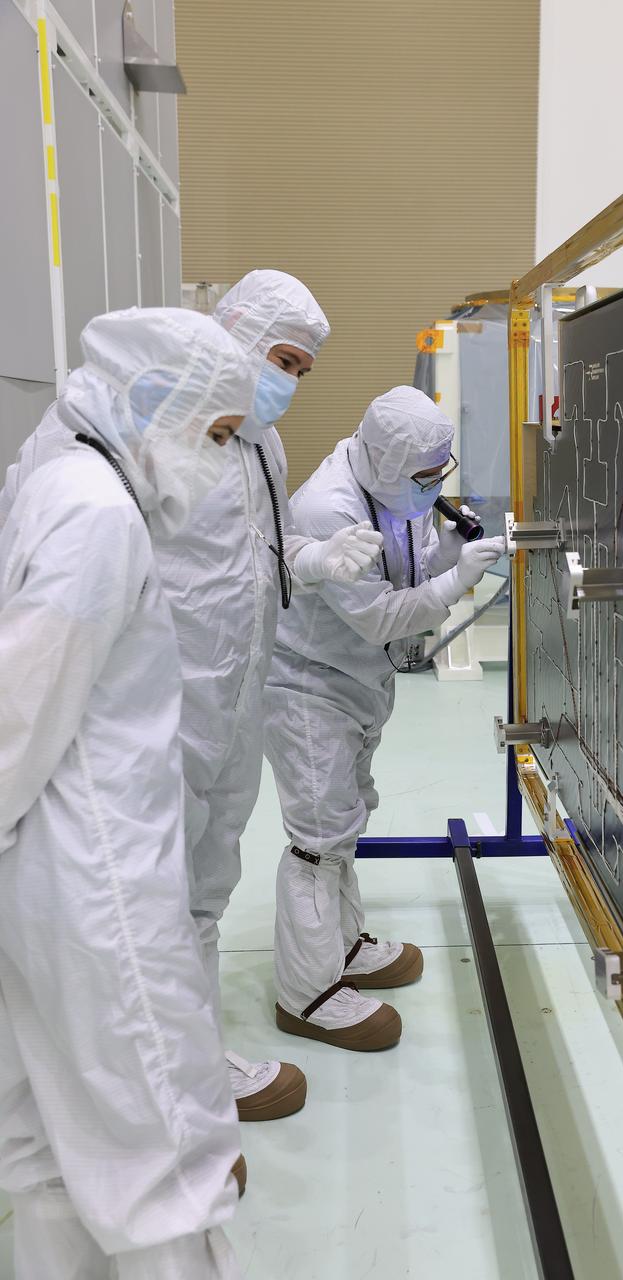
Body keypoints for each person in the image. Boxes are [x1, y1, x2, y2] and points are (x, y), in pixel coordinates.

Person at [0, 271, 384, 1121]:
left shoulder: (253, 443)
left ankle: (191, 1050)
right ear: (238, 336)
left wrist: (314, 564)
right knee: (148, 891)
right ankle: (168, 1073)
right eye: (283, 360)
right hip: (155, 703)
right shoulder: (123, 452)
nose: (287, 384)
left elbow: (254, 555)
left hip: (235, 690)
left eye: (300, 371)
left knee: (206, 878)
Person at [0, 307, 256, 1280]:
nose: (219, 460)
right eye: (219, 434)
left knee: (47, 1150)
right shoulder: (99, 516)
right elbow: (17, 717)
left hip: (44, 874)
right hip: (95, 887)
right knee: (161, 1163)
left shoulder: (56, 473)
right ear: (157, 400)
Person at [264, 385, 506, 1050]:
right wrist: (454, 585)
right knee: (317, 836)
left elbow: (407, 564)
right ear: (389, 463)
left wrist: (447, 556)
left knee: (344, 819)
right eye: (426, 478)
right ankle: (306, 995)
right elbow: (378, 617)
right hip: (306, 684)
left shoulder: (396, 486)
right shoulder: (327, 507)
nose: (434, 488)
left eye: (441, 474)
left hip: (351, 681)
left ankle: (339, 949)